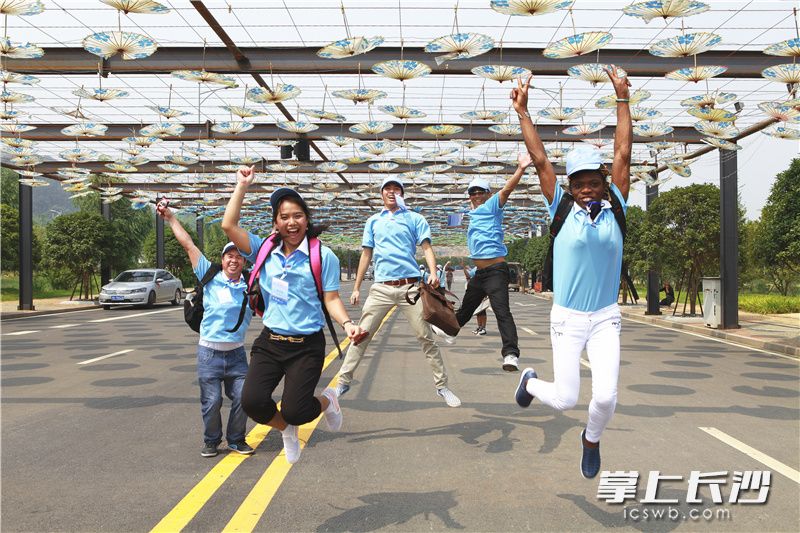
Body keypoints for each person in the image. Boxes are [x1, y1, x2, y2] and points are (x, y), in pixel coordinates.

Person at [511, 66, 632, 479]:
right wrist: (523, 112)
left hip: (605, 318)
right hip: (567, 318)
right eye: (578, 183)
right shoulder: (560, 209)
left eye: (593, 182)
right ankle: (529, 384)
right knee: (565, 399)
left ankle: (591, 439)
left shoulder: (616, 207)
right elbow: (540, 159)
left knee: (606, 397)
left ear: (603, 183)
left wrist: (622, 99)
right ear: (570, 187)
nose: (586, 189)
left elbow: (622, 154)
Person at [221, 168, 363, 464]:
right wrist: (242, 186)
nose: (291, 222)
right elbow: (228, 225)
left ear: (306, 219)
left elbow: (331, 298)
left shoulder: (323, 256)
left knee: (297, 410)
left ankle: (328, 400)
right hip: (271, 342)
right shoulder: (263, 249)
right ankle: (286, 429)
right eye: (284, 217)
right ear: (276, 222)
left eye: (297, 215)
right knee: (252, 402)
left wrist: (348, 323)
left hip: (306, 346)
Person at [335, 176, 461, 407]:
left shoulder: (415, 218)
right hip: (381, 288)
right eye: (387, 188)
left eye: (396, 189)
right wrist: (356, 288)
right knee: (361, 334)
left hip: (410, 288)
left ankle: (442, 386)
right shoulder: (373, 221)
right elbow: (366, 255)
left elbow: (427, 248)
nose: (392, 192)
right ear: (381, 193)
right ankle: (343, 382)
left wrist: (433, 272)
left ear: (402, 194)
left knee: (425, 337)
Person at [156, 202, 255, 458]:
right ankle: (211, 441)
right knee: (212, 401)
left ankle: (236, 439)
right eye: (229, 256)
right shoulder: (209, 276)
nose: (234, 260)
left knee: (244, 398)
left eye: (239, 256)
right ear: (222, 260)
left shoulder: (251, 283)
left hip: (237, 355)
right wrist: (171, 218)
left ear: (244, 261)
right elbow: (188, 244)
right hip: (209, 354)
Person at [431, 152, 533, 372]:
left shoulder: (493, 206)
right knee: (467, 308)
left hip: (496, 270)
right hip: (480, 274)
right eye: (473, 192)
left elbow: (507, 190)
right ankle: (450, 330)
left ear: (488, 194)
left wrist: (521, 168)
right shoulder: (472, 214)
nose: (477, 195)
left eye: (480, 192)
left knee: (501, 311)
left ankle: (511, 355)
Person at [463, 264, 489, 336]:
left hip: (482, 292)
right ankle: (479, 327)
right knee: (478, 311)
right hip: (476, 292)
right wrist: (464, 268)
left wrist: (486, 293)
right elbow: (468, 276)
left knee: (482, 311)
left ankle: (483, 328)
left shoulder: (484, 268)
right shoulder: (475, 268)